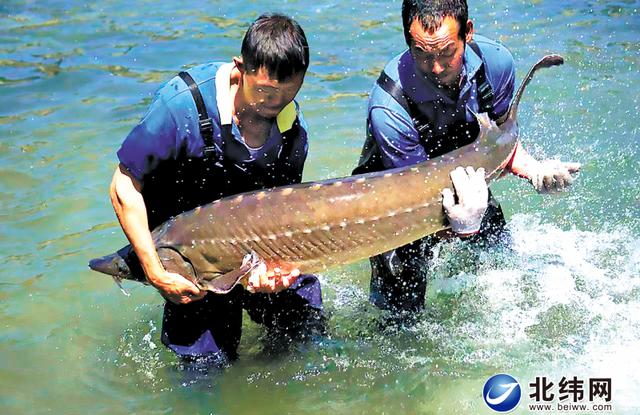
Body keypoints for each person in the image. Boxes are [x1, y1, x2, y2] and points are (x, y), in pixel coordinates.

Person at [109, 13, 323, 365]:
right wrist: (155, 272)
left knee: (304, 333)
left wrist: (274, 274)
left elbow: (284, 217)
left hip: (254, 242)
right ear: (241, 69)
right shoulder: (181, 106)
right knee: (204, 368)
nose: (276, 104)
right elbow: (123, 186)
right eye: (267, 92)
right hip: (192, 254)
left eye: (288, 94)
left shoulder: (291, 133)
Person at [353, 0, 580, 314]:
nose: (436, 67)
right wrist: (459, 227)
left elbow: (497, 142)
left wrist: (533, 169)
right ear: (407, 40)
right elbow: (419, 200)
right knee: (399, 319)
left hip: (468, 186)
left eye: (447, 52)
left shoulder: (496, 64)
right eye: (422, 53)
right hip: (399, 205)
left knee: (504, 278)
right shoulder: (388, 105)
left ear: (468, 33)